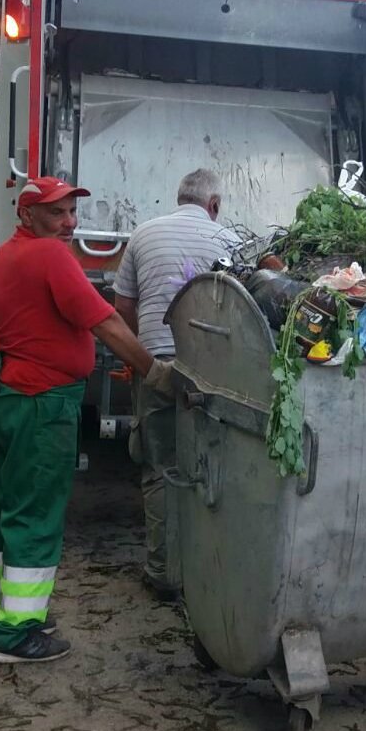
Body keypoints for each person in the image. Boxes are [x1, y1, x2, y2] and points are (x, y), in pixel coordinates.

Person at [0, 177, 172, 663]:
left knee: (12, 508)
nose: (70, 222)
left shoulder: (6, 256)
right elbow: (104, 320)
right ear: (28, 216)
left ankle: (2, 616)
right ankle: (15, 636)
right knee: (36, 515)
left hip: (8, 396)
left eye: (71, 211)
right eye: (56, 213)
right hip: (41, 402)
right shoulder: (51, 256)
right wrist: (154, 371)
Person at [113, 169, 240, 599]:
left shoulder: (143, 233)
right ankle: (214, 569)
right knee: (215, 468)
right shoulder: (229, 241)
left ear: (178, 197)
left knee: (161, 465)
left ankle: (165, 573)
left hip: (157, 363)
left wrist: (139, 358)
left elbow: (123, 306)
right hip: (214, 372)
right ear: (214, 206)